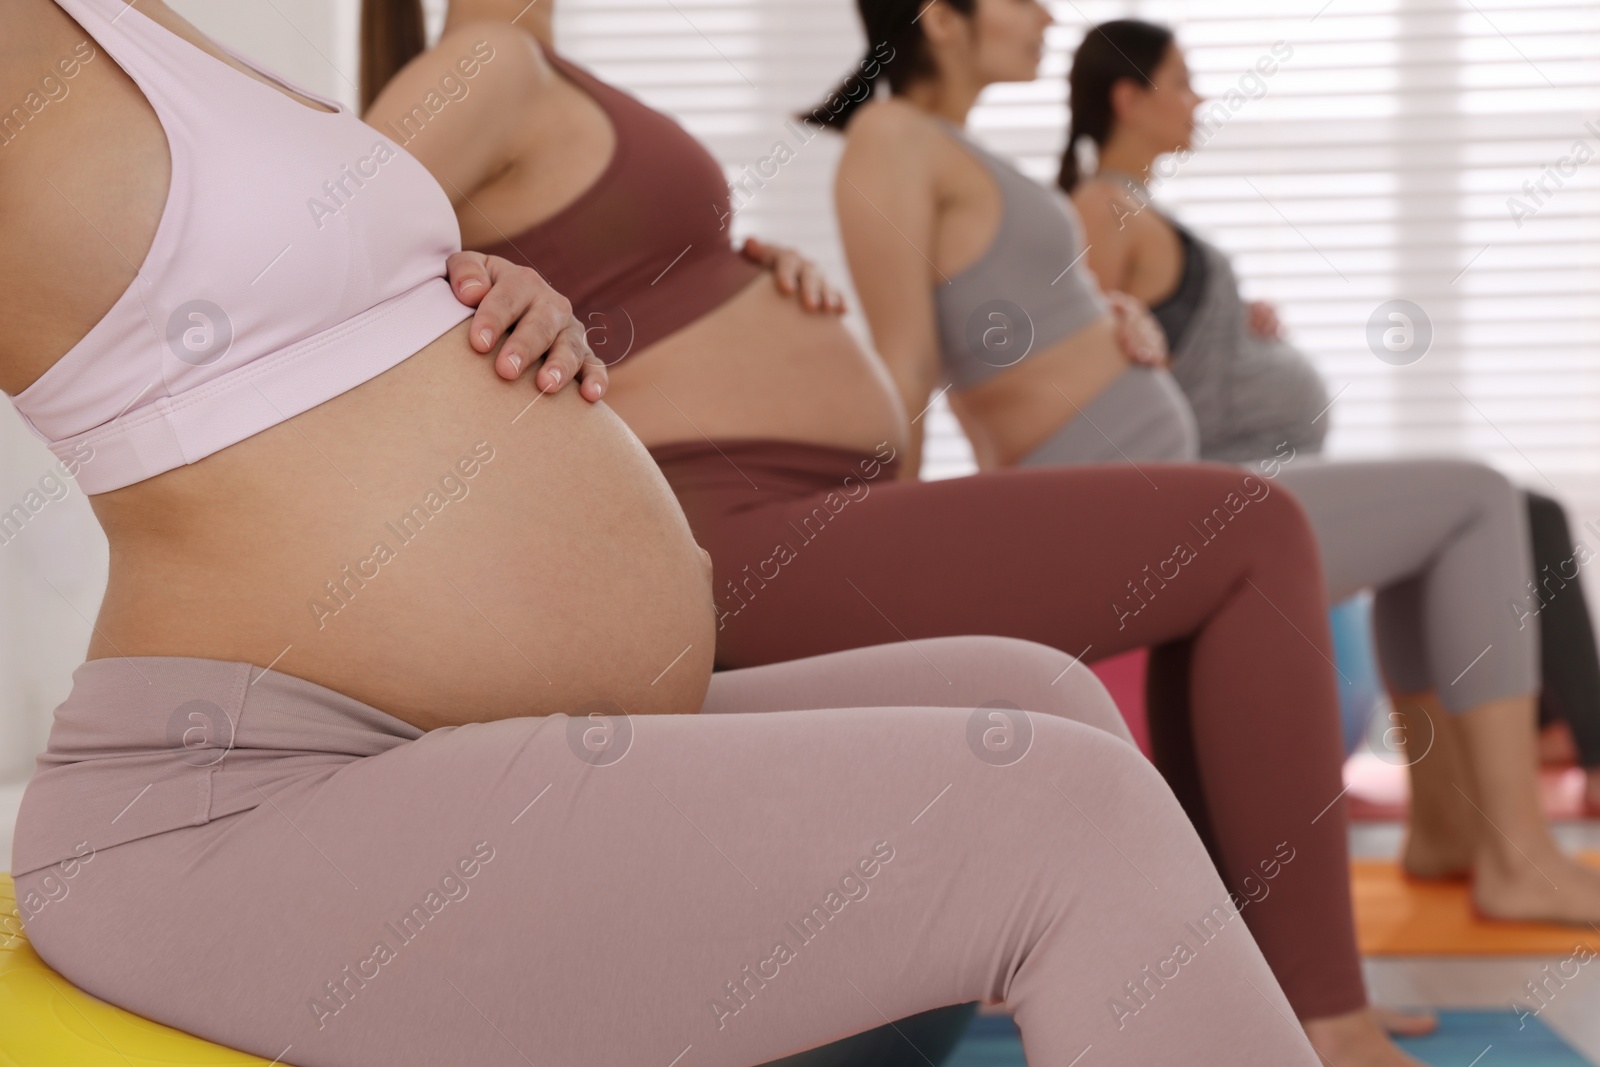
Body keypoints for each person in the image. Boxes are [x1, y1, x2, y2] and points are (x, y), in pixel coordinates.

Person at [1, 3, 1328, 1066]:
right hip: (242, 791)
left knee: (1033, 694)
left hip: (447, 733)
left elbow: (278, 304)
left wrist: (467, 293)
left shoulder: (142, 27)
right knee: (1063, 817)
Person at [367, 1, 1431, 1059]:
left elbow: (592, 277)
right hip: (726, 528)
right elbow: (308, 305)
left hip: (789, 505)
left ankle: (1247, 996)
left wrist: (733, 268)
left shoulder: (545, 75)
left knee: (1233, 548)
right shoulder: (487, 64)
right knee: (1250, 531)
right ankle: (1321, 1018)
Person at [828, 0, 1600, 940]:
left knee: (1442, 525)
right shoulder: (892, 138)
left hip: (1153, 483)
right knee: (1478, 498)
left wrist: (1112, 321)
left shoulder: (952, 147)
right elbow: (905, 364)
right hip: (1131, 504)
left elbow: (1009, 338)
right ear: (941, 20)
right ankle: (1520, 859)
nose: (1044, 12)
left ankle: (1449, 833)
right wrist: (880, 584)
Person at [1059, 17, 1600, 813]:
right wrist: (1163, 338)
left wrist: (1232, 328)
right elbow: (1096, 369)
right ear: (1128, 98)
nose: (1198, 97)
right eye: (1180, 81)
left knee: (1521, 516)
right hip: (1228, 486)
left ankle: (1464, 814)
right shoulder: (1103, 206)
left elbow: (1162, 331)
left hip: (1264, 468)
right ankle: (1546, 791)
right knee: (1499, 506)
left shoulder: (1135, 208)